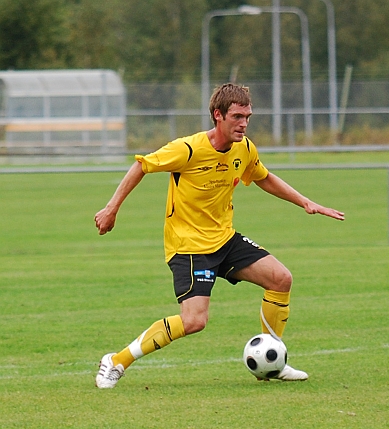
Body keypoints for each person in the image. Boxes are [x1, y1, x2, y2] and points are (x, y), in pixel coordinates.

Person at [94, 83, 344, 389]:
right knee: (194, 321)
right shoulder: (188, 149)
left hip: (224, 240)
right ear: (218, 115)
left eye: (248, 116)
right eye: (237, 116)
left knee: (281, 279)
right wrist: (111, 209)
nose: (244, 123)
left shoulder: (244, 149)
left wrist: (306, 202)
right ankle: (116, 361)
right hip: (189, 247)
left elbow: (263, 177)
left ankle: (272, 361)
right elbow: (141, 166)